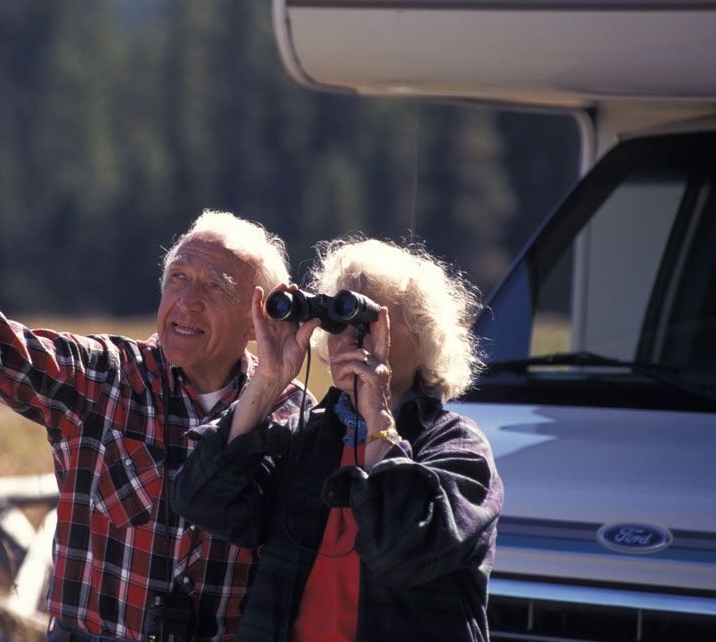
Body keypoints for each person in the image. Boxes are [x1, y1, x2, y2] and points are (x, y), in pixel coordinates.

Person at [0, 195, 312, 642]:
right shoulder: (107, 376)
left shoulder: (289, 409)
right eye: (178, 278)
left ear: (258, 320)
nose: (187, 301)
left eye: (216, 287)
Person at [173, 237, 504, 642]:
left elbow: (401, 551)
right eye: (338, 321)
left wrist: (378, 418)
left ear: (422, 342)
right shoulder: (309, 438)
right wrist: (268, 380)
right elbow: (202, 501)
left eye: (367, 323)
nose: (351, 338)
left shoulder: (455, 446)